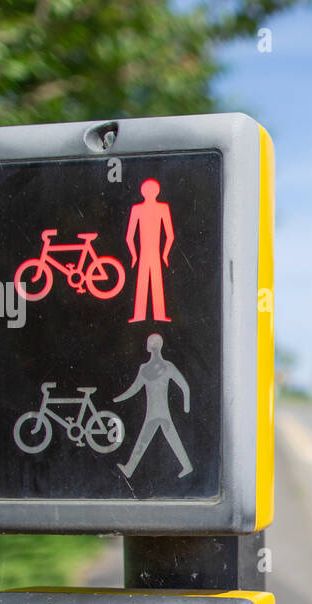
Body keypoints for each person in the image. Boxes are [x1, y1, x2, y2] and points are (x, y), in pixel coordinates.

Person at [114, 334, 192, 479]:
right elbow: (184, 387)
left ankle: (130, 469)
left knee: (147, 439)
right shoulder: (155, 367)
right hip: (158, 413)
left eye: (149, 342)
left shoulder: (158, 367)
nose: (148, 345)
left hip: (156, 414)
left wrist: (186, 406)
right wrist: (118, 398)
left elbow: (184, 386)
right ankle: (130, 469)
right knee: (162, 438)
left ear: (151, 346)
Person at [125, 178, 174, 323]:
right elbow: (170, 236)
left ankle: (141, 315)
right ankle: (156, 315)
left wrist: (134, 255)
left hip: (145, 253)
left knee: (144, 282)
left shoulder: (139, 209)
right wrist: (165, 254)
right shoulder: (161, 208)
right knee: (155, 281)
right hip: (153, 252)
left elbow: (129, 237)